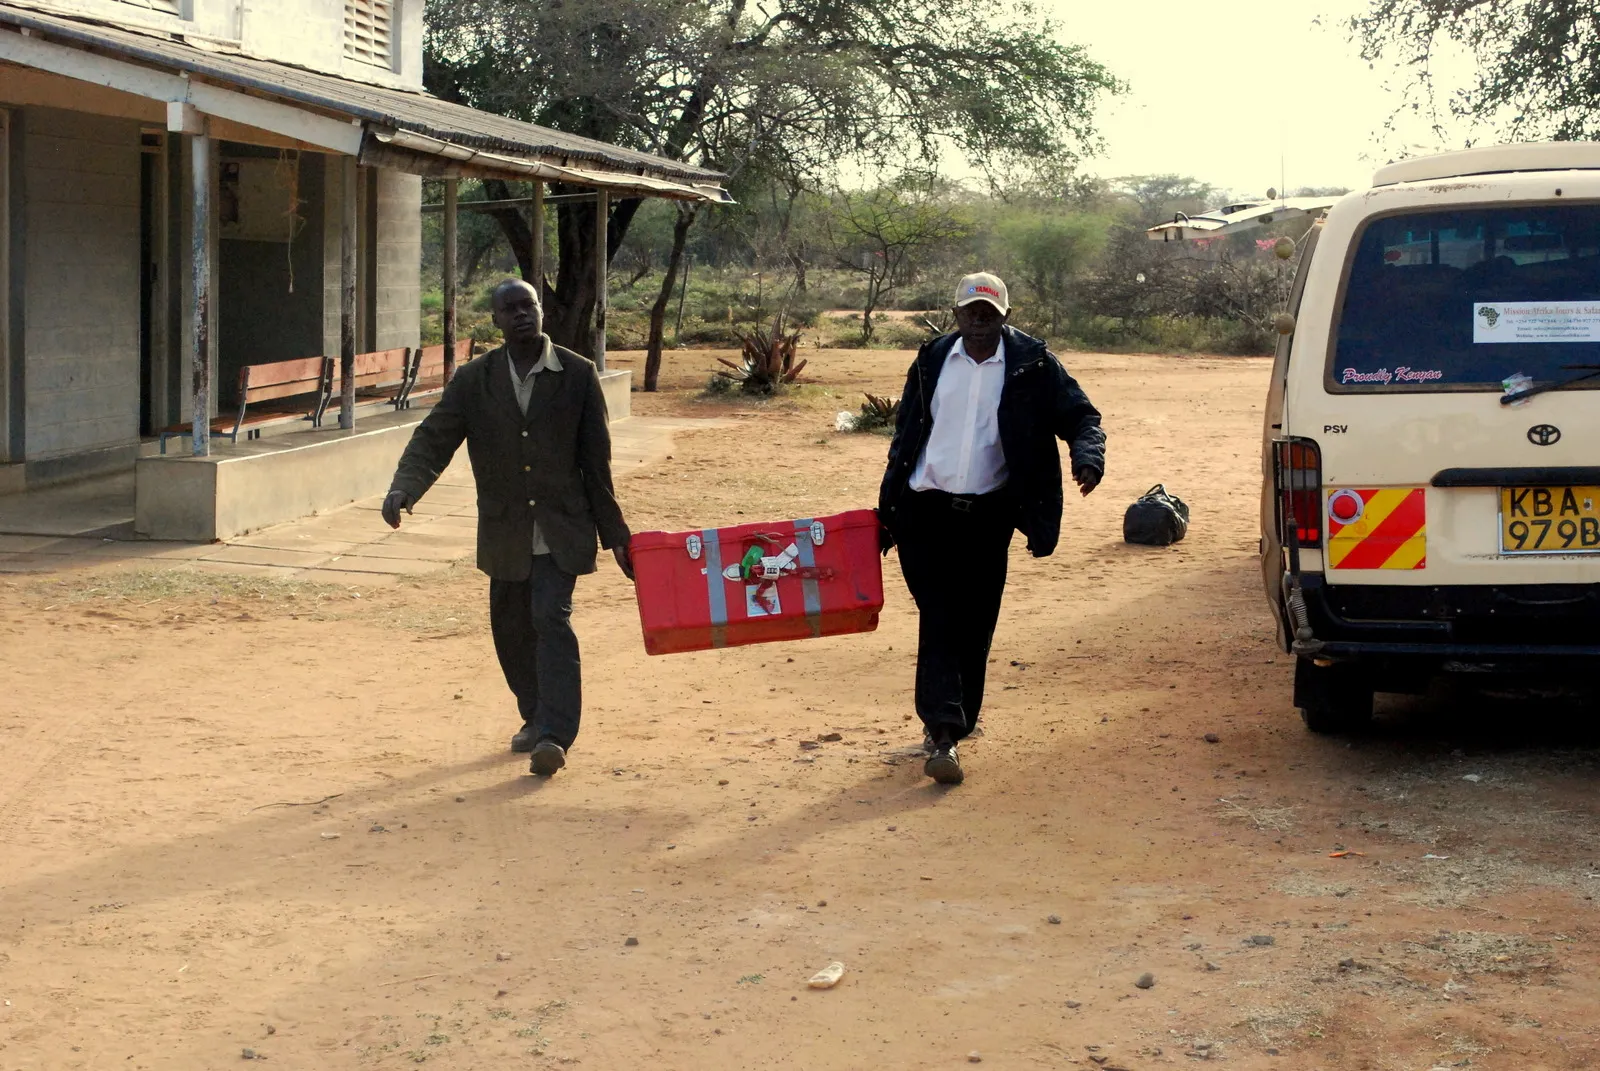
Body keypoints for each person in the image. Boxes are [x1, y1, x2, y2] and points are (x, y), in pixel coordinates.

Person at [382, 278, 633, 777]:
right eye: (510, 309)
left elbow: (597, 465)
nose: (521, 315)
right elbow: (436, 436)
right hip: (506, 530)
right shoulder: (477, 379)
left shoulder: (577, 375)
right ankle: (534, 713)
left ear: (541, 311)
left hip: (562, 527)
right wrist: (404, 488)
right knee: (511, 629)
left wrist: (617, 536)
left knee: (549, 619)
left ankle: (555, 735)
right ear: (495, 320)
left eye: (529, 305)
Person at [877, 272, 1105, 786]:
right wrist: (888, 507)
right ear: (955, 315)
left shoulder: (1033, 364)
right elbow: (906, 434)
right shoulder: (932, 360)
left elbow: (1082, 416)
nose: (979, 322)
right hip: (924, 510)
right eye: (970, 313)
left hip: (989, 515)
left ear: (1004, 317)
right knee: (939, 615)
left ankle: (959, 716)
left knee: (975, 620)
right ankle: (943, 730)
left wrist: (1087, 456)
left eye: (989, 314)